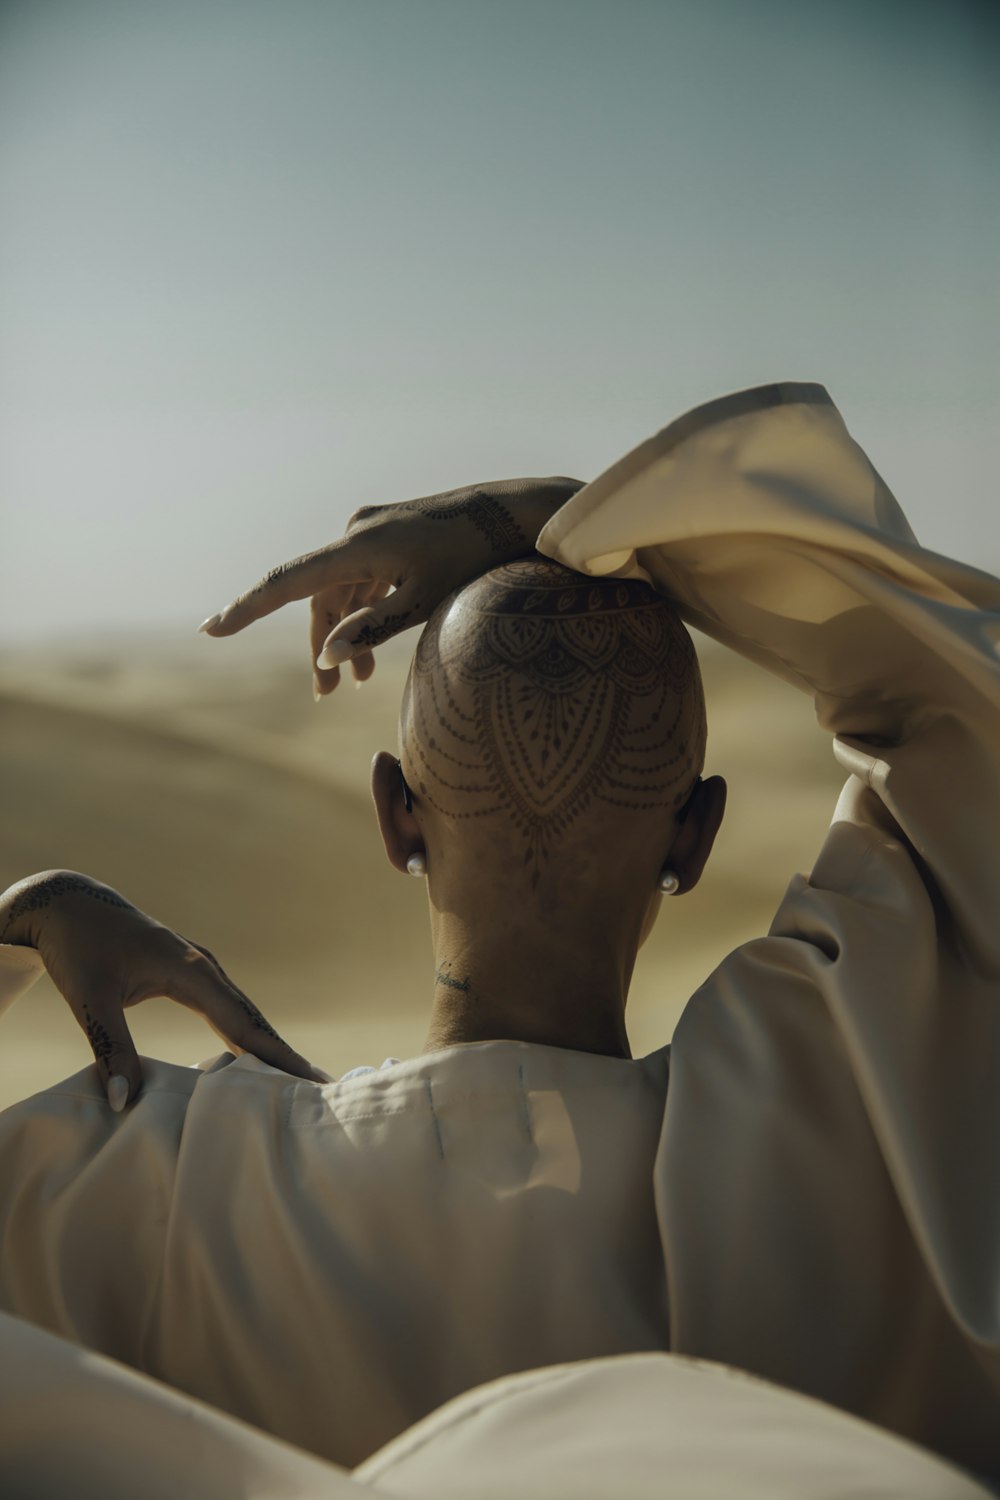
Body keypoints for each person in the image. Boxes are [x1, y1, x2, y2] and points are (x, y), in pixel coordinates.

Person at [0, 382, 998, 1491]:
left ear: (392, 813)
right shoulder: (847, 1128)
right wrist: (550, 516)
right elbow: (966, 699)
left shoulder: (158, 1183)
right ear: (698, 837)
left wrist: (16, 928)